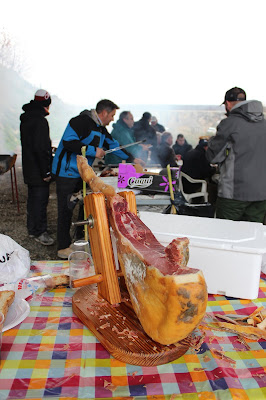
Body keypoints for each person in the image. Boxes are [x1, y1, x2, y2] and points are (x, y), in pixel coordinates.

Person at [52, 99, 135, 259]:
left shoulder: (101, 129)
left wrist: (132, 159)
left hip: (83, 173)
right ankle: (62, 247)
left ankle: (80, 240)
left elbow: (113, 145)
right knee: (66, 209)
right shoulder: (79, 121)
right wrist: (93, 151)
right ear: (103, 113)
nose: (112, 119)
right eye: (111, 115)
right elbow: (68, 142)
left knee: (87, 205)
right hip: (66, 172)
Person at [206, 87, 266, 222]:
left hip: (234, 194)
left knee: (225, 235)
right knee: (251, 237)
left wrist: (211, 143)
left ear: (227, 103)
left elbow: (213, 157)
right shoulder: (264, 124)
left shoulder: (230, 123)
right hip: (261, 194)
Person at [20, 89, 54, 246]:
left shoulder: (26, 119)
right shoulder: (40, 121)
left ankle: (32, 229)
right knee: (40, 201)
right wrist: (46, 171)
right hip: (39, 170)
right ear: (46, 104)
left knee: (33, 200)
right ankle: (40, 231)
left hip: (29, 167)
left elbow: (32, 146)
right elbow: (41, 149)